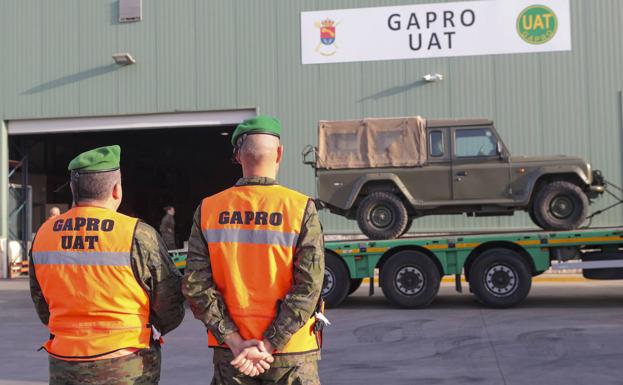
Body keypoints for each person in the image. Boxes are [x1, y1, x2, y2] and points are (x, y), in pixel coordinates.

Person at [182, 115, 325, 385]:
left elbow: (195, 285)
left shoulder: (209, 209)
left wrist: (234, 340)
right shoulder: (300, 208)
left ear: (238, 156)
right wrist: (270, 344)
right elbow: (309, 285)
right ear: (279, 153)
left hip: (233, 355)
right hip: (292, 353)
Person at [29, 145, 185, 385]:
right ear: (116, 189)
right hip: (126, 363)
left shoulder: (44, 234)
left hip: (65, 361)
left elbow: (42, 304)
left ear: (72, 189)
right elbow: (170, 303)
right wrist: (151, 328)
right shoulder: (137, 234)